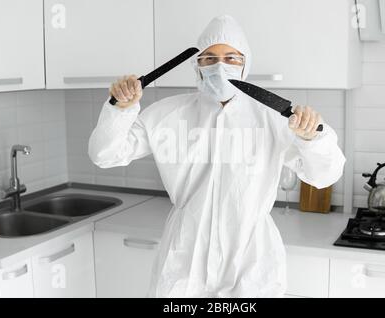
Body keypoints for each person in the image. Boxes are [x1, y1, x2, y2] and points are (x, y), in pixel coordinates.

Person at [88, 15, 346, 298]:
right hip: (185, 260)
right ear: (196, 66)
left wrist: (312, 139)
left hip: (251, 263)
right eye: (209, 58)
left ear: (246, 64)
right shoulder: (167, 114)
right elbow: (105, 155)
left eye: (231, 58)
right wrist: (120, 109)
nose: (219, 66)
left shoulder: (275, 117)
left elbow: (324, 175)